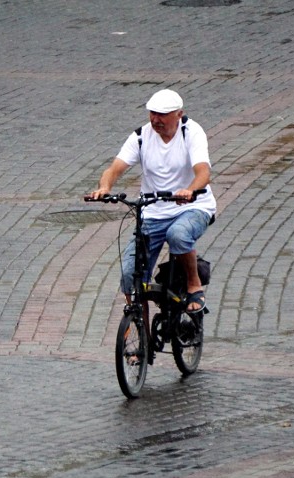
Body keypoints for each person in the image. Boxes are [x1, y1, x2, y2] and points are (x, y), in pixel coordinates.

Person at [88, 89, 216, 313]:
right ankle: (142, 338)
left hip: (193, 207)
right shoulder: (140, 136)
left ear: (179, 114)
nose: (156, 119)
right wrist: (104, 187)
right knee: (131, 278)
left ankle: (194, 285)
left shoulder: (191, 132)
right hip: (153, 212)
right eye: (152, 113)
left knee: (178, 234)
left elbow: (203, 172)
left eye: (162, 114)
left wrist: (189, 190)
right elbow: (115, 168)